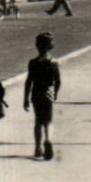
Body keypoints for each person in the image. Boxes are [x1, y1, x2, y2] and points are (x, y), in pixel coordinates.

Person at [23, 31, 62, 160]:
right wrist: (55, 93)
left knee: (38, 121)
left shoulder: (32, 63)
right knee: (49, 120)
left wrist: (25, 98)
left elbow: (29, 81)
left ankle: (38, 147)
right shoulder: (53, 63)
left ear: (37, 46)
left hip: (36, 93)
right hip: (48, 92)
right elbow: (58, 81)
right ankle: (48, 139)